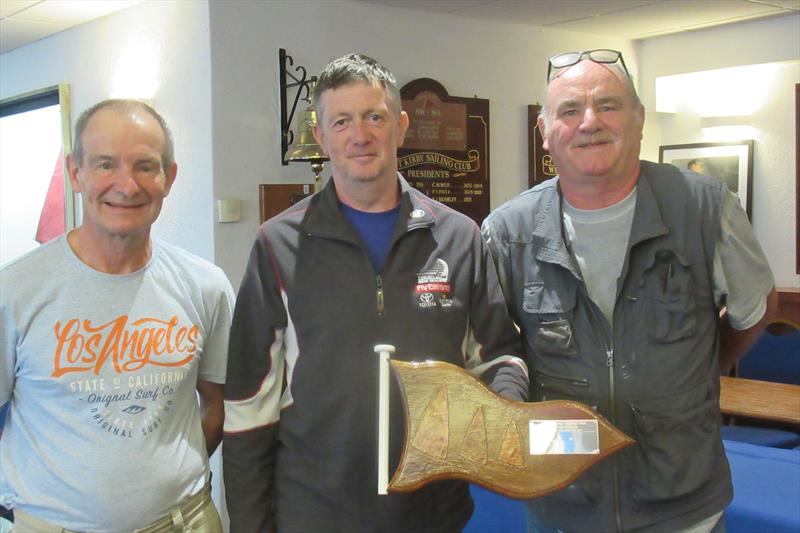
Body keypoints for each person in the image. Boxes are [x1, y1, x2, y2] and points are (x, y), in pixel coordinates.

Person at [223, 53, 528, 533]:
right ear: (321, 136)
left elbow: (499, 359)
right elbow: (247, 407)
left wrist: (500, 415)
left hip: (434, 513)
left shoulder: (458, 237)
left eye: (374, 117)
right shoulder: (276, 245)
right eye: (341, 121)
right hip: (313, 512)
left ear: (400, 126)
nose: (359, 135)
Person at [482, 49, 777, 532]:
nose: (590, 122)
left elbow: (757, 310)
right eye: (570, 110)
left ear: (639, 119)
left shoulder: (706, 211)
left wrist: (700, 370)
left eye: (609, 105)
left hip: (684, 505)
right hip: (564, 504)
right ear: (545, 132)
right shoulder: (507, 232)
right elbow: (495, 348)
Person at [0, 99, 235, 532]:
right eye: (105, 164)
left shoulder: (206, 286)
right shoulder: (14, 292)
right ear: (75, 173)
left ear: (170, 177)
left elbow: (216, 406)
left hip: (186, 523)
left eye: (145, 166)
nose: (126, 185)